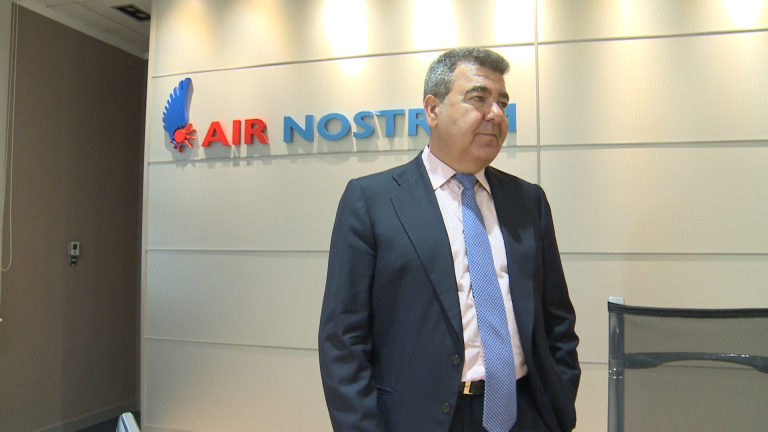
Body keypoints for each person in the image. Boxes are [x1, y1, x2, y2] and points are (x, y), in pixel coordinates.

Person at [318, 47, 580, 432]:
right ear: (433, 109)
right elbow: (344, 340)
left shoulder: (528, 201)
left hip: (524, 413)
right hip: (420, 420)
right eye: (478, 98)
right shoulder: (372, 202)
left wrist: (557, 406)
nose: (495, 114)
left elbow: (556, 319)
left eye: (502, 103)